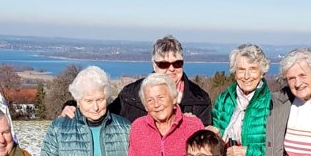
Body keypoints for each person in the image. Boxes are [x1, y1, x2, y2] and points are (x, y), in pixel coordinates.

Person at [62, 35, 212, 125]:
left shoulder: (199, 100)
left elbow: (204, 146)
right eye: (164, 64)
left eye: (177, 63)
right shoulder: (131, 95)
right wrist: (73, 106)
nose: (171, 69)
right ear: (154, 64)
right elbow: (102, 113)